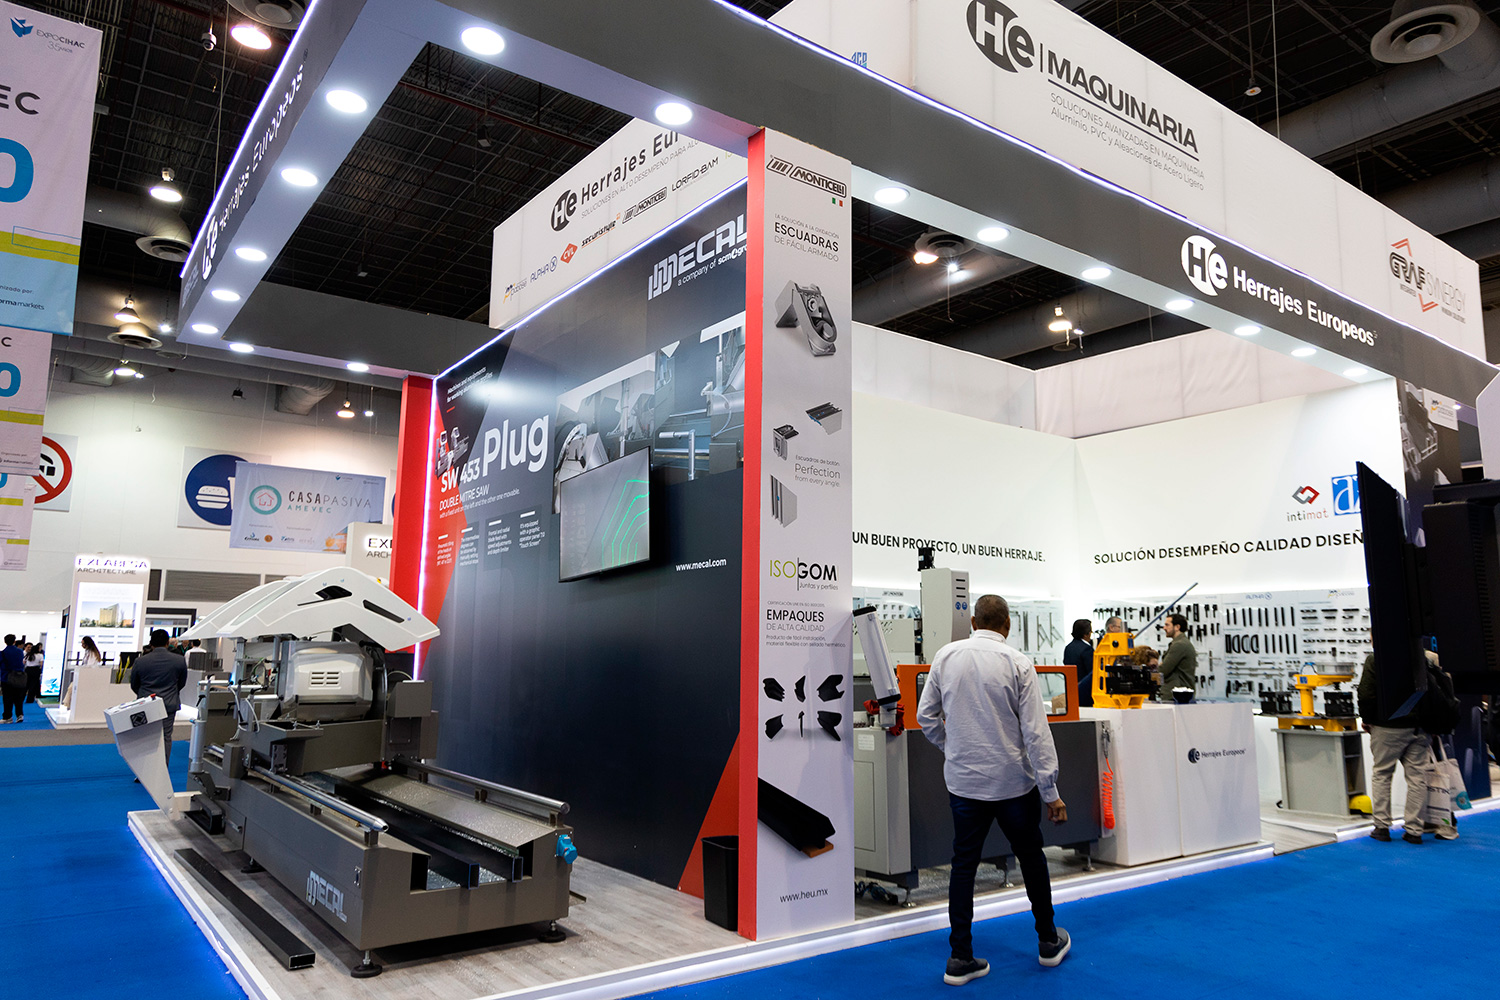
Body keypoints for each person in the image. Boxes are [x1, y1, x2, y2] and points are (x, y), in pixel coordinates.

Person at [916, 594, 1071, 985]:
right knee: (1031, 859)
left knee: (963, 866)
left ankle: (959, 957)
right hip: (1013, 783)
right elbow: (1036, 733)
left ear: (973, 622)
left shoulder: (945, 657)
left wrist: (952, 747)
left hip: (964, 783)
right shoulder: (1018, 663)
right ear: (1007, 624)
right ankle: (1048, 941)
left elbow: (925, 717)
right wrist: (1050, 791)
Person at [1358, 648, 1429, 843]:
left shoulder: (1376, 659)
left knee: (1382, 774)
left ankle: (1382, 827)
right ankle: (1414, 830)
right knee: (1417, 778)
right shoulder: (1420, 655)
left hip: (1387, 726)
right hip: (1418, 727)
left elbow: (1366, 694)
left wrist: (1367, 719)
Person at [129, 629, 188, 764]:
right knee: (166, 737)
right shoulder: (179, 660)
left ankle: (145, 769)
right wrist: (171, 692)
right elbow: (181, 683)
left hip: (146, 704)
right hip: (169, 704)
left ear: (151, 644)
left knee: (146, 737)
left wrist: (144, 695)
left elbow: (134, 684)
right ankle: (163, 769)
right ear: (167, 643)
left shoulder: (140, 661)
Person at [1158, 613, 1196, 701]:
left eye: (1167, 625)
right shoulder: (1180, 643)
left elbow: (1163, 670)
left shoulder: (1179, 645)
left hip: (1177, 696)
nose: (1164, 628)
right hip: (1179, 696)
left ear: (1177, 627)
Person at [1063, 619, 1093, 708]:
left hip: (1071, 689)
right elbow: (1092, 671)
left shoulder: (1068, 647)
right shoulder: (1087, 649)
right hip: (1085, 691)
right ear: (1086, 634)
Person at [1, 635, 27, 723]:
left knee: (7, 698)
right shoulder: (20, 652)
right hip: (19, 677)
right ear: (14, 641)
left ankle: (8, 717)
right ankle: (20, 715)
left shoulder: (3, 653)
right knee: (18, 697)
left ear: (5, 642)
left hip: (6, 678)